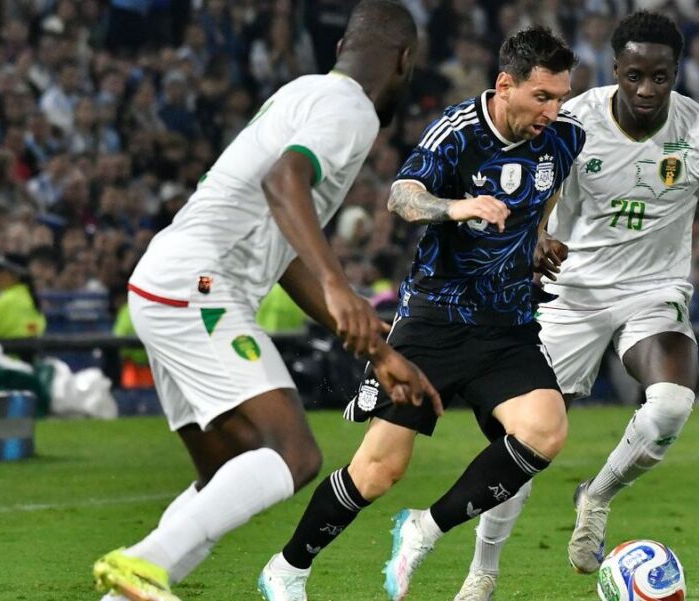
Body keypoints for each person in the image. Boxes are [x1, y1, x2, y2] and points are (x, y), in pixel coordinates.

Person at [91, 3, 438, 601]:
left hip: (168, 282)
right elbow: (285, 183)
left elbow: (287, 250)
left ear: (340, 50)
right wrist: (337, 284)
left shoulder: (304, 92)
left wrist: (377, 350)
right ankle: (143, 562)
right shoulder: (351, 109)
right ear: (405, 61)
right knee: (294, 453)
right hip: (201, 283)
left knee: (228, 474)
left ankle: (125, 594)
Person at [454, 12, 699, 599]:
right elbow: (531, 186)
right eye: (635, 75)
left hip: (654, 291)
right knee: (524, 440)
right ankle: (482, 573)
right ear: (616, 71)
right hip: (571, 292)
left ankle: (597, 495)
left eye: (661, 76)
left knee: (671, 406)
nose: (647, 90)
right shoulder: (574, 119)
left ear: (676, 72)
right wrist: (537, 235)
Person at [257, 25, 585, 601]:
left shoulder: (563, 139)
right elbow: (402, 196)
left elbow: (545, 194)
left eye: (561, 97)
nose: (554, 111)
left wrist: (536, 241)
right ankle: (288, 568)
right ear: (505, 84)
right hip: (434, 318)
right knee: (378, 471)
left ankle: (425, 527)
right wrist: (458, 206)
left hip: (506, 326)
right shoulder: (459, 131)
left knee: (544, 431)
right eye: (543, 97)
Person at [0, 253, 46, 339]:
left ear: (14, 275)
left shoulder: (7, 300)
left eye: (0, 271)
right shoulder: (30, 298)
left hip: (4, 352)